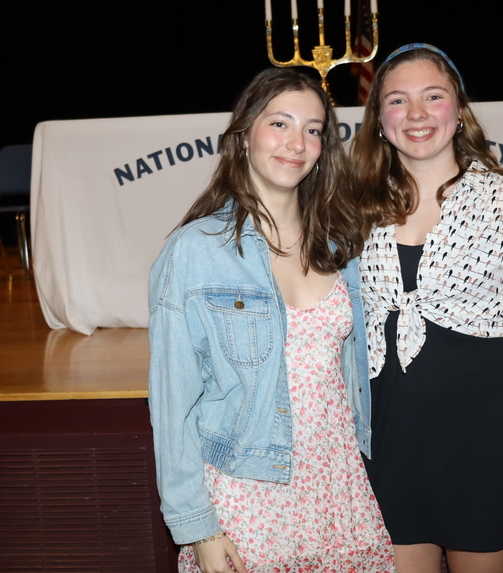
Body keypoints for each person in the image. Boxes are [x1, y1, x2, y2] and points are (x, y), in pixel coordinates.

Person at [148, 68, 395, 573]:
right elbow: (172, 406)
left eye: (312, 129)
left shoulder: (339, 243)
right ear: (244, 136)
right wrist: (198, 526)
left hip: (338, 491)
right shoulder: (195, 252)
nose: (296, 143)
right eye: (279, 124)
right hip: (247, 499)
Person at [352, 44, 503, 573]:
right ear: (380, 120)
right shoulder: (351, 210)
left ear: (459, 111)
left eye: (433, 96)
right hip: (389, 455)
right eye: (399, 101)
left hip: (487, 453)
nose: (418, 114)